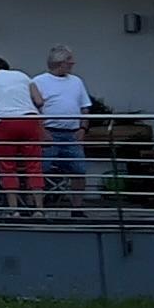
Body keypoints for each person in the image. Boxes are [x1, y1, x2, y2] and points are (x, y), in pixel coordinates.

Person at [0, 55, 44, 211]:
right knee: (34, 165)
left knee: (8, 167)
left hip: (5, 123)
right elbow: (39, 101)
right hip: (29, 120)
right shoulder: (22, 76)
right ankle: (39, 209)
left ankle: (14, 210)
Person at [31, 46, 96, 205]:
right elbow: (33, 109)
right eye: (69, 60)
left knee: (79, 171)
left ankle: (77, 208)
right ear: (59, 63)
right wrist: (41, 131)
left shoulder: (76, 81)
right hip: (49, 133)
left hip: (72, 133)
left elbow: (84, 107)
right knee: (40, 171)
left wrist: (83, 128)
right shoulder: (38, 81)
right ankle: (38, 205)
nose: (72, 63)